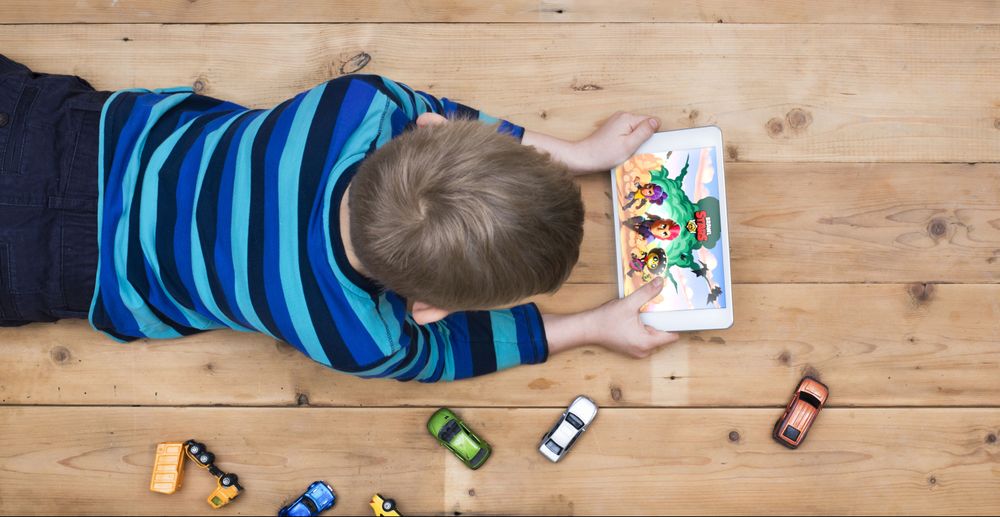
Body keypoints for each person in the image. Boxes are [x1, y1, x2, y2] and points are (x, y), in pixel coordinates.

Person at [0, 54, 678, 381]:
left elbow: (454, 125)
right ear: (430, 307)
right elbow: (449, 355)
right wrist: (591, 326)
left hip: (68, 135)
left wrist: (579, 153)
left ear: (428, 127)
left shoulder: (360, 104)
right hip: (69, 268)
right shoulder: (356, 334)